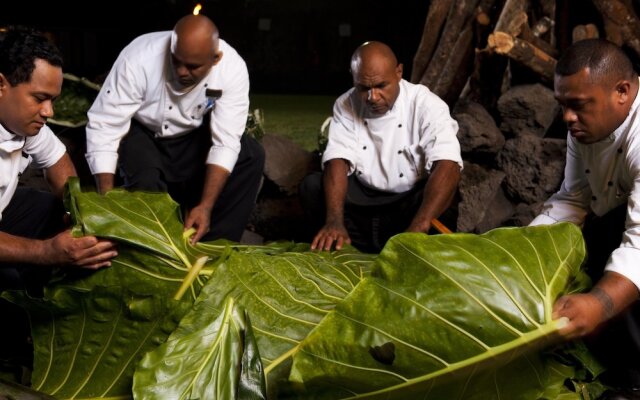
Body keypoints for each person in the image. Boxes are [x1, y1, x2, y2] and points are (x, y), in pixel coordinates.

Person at [85, 14, 264, 244]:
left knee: (251, 155)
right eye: (176, 61)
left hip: (193, 137)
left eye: (192, 66)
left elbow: (226, 142)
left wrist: (206, 206)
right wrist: (107, 202)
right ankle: (158, 250)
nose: (181, 71)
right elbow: (105, 125)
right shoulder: (139, 57)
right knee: (146, 182)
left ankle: (213, 247)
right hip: (141, 132)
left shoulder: (232, 68)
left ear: (215, 59)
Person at [529, 38, 640, 398]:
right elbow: (573, 198)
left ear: (621, 91)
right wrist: (521, 247)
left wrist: (598, 303)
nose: (566, 118)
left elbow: (639, 246)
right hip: (617, 220)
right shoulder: (587, 125)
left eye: (576, 106)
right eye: (563, 106)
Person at [299, 41, 462, 253]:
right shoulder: (345, 103)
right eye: (364, 88)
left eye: (381, 86)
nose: (372, 97)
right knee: (312, 186)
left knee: (446, 194)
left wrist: (419, 227)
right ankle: (343, 246)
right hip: (363, 203)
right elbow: (337, 159)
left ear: (399, 72)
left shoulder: (426, 104)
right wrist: (334, 220)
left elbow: (448, 163)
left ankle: (410, 246)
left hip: (408, 205)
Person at [0, 27, 117, 294]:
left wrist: (75, 210)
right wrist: (45, 252)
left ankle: (43, 290)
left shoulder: (19, 120)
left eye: (53, 100)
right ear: (1, 85)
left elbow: (56, 158)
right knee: (10, 286)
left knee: (53, 209)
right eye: (40, 98)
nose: (49, 112)